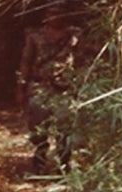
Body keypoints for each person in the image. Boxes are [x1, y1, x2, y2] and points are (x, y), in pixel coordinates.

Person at [16, 4, 79, 173]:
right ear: (47, 15)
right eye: (52, 13)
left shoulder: (73, 35)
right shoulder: (35, 36)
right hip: (39, 87)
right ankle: (39, 162)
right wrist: (21, 88)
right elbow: (26, 62)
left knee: (65, 129)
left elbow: (83, 59)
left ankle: (64, 165)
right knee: (38, 128)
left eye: (59, 13)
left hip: (64, 88)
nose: (56, 17)